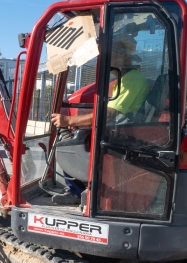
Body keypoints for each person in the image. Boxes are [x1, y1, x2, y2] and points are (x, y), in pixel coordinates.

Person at [49, 35, 149, 205]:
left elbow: (109, 114)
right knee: (76, 134)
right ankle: (80, 188)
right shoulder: (126, 78)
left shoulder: (131, 80)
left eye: (106, 55)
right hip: (121, 127)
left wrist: (69, 121)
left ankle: (75, 191)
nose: (101, 60)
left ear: (117, 56)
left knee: (68, 142)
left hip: (122, 134)